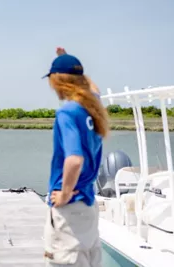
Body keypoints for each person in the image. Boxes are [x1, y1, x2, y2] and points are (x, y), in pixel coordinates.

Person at [42, 47, 110, 267]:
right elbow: (94, 89)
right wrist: (71, 64)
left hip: (70, 207)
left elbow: (74, 159)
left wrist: (64, 194)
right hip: (88, 204)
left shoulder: (67, 112)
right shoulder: (93, 108)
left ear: (57, 81)